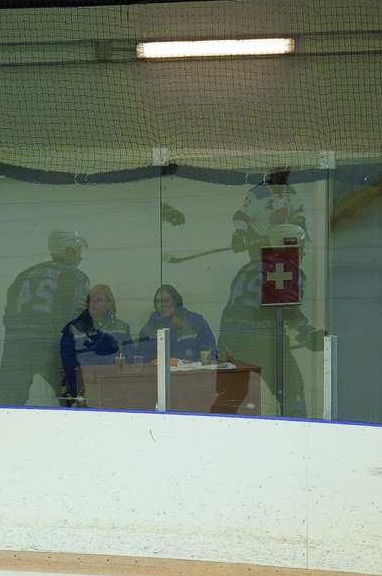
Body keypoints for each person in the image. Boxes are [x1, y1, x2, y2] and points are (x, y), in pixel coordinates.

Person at [216, 174, 321, 416]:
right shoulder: (288, 268)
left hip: (230, 344)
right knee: (292, 392)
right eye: (299, 244)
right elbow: (286, 310)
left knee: (231, 400)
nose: (302, 250)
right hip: (264, 344)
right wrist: (308, 333)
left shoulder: (247, 268)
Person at [0, 231, 90, 406]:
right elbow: (75, 317)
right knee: (74, 396)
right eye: (77, 251)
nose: (80, 257)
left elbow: (8, 314)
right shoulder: (77, 277)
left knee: (9, 402)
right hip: (50, 345)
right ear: (67, 250)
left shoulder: (23, 274)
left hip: (17, 345)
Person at [58, 284, 132, 407]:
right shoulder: (74, 328)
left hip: (116, 388)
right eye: (91, 300)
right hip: (87, 387)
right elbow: (69, 363)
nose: (94, 303)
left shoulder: (122, 327)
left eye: (99, 300)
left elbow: (130, 358)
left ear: (109, 303)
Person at [134, 283, 216, 364]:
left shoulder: (196, 322)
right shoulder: (148, 330)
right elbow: (143, 360)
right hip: (160, 375)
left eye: (166, 301)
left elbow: (209, 352)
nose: (162, 305)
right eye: (158, 301)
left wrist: (194, 366)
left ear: (175, 301)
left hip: (191, 374)